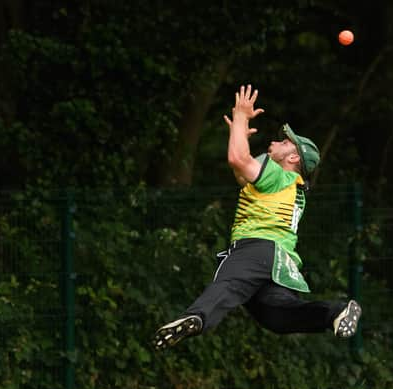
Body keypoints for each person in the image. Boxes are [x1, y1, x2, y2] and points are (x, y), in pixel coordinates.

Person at [153, 84, 361, 350]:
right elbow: (242, 173)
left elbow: (238, 159)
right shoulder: (290, 185)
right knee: (278, 316)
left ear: (293, 156)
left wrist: (240, 116)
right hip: (280, 261)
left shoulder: (277, 174)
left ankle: (196, 317)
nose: (274, 142)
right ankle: (335, 312)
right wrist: (237, 134)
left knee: (227, 285)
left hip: (256, 249)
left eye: (284, 143)